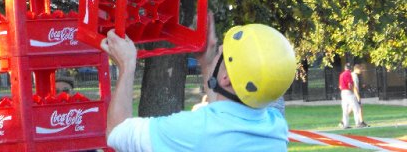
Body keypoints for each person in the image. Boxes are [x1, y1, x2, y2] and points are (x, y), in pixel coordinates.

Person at [101, 10, 296, 152]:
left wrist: (126, 65)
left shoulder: (192, 130)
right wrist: (207, 62)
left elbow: (117, 133)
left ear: (226, 78)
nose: (219, 50)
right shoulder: (275, 127)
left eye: (221, 52)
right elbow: (221, 118)